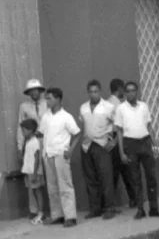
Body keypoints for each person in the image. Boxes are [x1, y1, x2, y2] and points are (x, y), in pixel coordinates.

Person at [114, 81, 159, 220]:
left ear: (137, 92)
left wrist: (155, 144)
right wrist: (121, 152)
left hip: (145, 142)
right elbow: (119, 132)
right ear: (125, 93)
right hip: (130, 144)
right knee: (135, 178)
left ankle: (154, 208)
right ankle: (140, 209)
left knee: (151, 176)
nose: (130, 93)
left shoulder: (144, 106)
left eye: (133, 90)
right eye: (128, 91)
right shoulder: (120, 109)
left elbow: (149, 126)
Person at [39, 87, 81, 228]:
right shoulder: (46, 116)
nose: (47, 101)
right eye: (46, 98)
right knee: (52, 187)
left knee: (65, 185)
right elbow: (42, 133)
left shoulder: (66, 117)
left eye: (49, 98)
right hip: (48, 154)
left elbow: (77, 134)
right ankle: (57, 215)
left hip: (60, 154)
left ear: (57, 99)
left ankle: (70, 216)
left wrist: (70, 150)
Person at [78, 80, 117, 220]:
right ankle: (95, 209)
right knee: (90, 178)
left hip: (102, 144)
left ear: (100, 91)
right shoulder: (83, 108)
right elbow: (84, 126)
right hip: (87, 145)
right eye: (91, 91)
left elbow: (118, 125)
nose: (93, 94)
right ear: (88, 92)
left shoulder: (108, 107)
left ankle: (109, 208)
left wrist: (115, 142)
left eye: (96, 91)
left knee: (105, 177)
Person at [17, 78, 48, 218]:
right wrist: (20, 146)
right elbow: (20, 127)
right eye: (31, 91)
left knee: (47, 174)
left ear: (40, 91)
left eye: (36, 90)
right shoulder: (24, 106)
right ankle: (34, 210)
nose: (34, 93)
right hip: (31, 142)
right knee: (32, 175)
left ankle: (49, 209)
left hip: (45, 140)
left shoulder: (47, 103)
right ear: (28, 93)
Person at [107, 78, 136, 209]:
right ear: (119, 90)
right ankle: (133, 199)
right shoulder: (118, 105)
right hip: (119, 138)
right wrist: (115, 141)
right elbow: (121, 126)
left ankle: (111, 203)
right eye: (123, 90)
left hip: (111, 138)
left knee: (113, 172)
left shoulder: (107, 103)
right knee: (126, 171)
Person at [20, 118, 45, 224]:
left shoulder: (34, 142)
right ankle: (39, 212)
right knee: (34, 191)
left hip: (34, 172)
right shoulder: (28, 141)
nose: (23, 133)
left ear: (30, 130)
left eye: (24, 130)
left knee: (37, 191)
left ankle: (41, 213)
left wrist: (35, 173)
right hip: (29, 171)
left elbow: (37, 159)